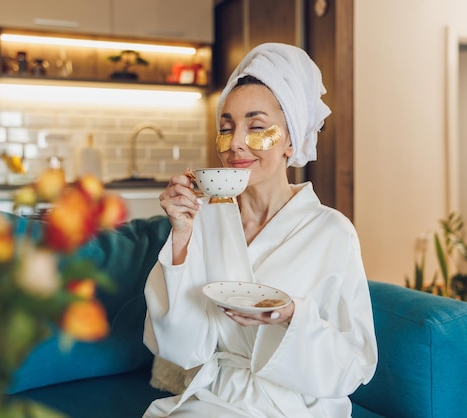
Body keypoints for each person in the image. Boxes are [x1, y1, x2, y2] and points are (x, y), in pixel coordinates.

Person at [142, 43, 378, 417]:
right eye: (226, 127)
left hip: (294, 404)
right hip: (213, 397)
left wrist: (291, 317)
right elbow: (179, 347)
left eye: (256, 127)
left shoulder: (333, 233)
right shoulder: (203, 220)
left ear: (291, 139)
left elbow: (353, 363)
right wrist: (182, 236)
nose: (235, 143)